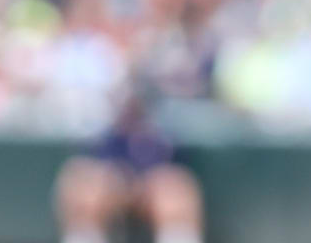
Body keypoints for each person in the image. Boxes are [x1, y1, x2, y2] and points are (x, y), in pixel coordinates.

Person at [54, 92, 205, 243]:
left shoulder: (162, 134)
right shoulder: (101, 135)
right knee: (84, 185)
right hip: (110, 182)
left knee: (173, 190)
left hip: (151, 184)